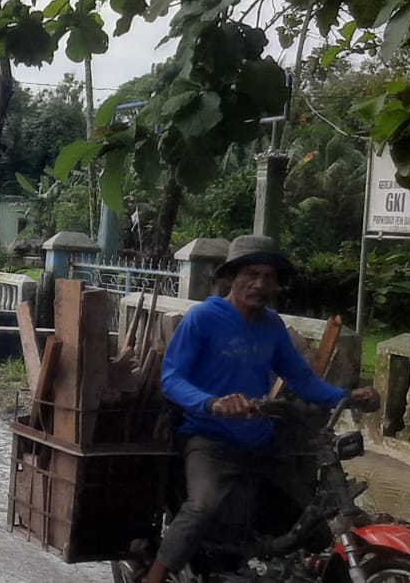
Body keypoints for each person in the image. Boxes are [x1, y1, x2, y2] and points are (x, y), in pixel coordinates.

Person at [139, 235, 379, 583]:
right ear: (231, 277)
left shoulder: (272, 326)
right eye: (251, 274)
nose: (260, 284)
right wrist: (212, 403)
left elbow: (303, 381)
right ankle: (155, 577)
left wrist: (348, 394)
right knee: (202, 506)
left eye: (269, 277)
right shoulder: (204, 318)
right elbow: (172, 378)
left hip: (261, 440)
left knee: (309, 512)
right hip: (208, 438)